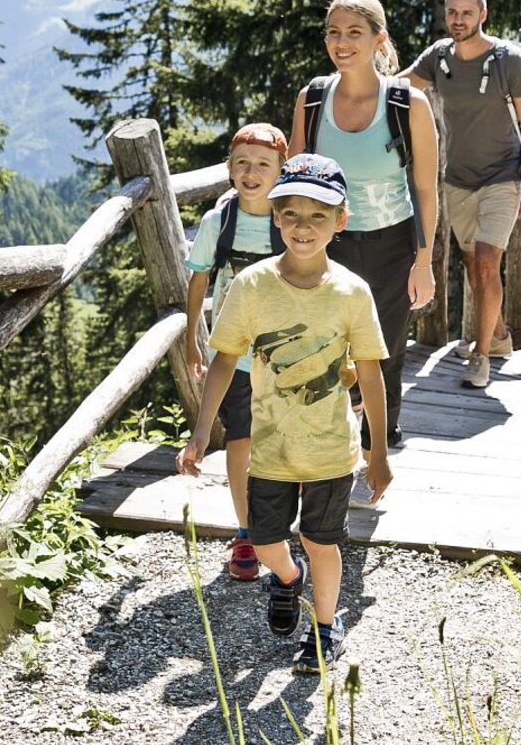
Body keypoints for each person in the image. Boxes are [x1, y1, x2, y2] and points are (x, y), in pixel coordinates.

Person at [177, 154, 392, 675]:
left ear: (341, 221)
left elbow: (370, 372)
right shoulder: (252, 286)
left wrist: (377, 452)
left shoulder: (351, 292)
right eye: (291, 214)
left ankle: (323, 629)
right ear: (275, 216)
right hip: (270, 447)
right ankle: (288, 579)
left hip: (329, 449)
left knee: (323, 541)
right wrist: (202, 431)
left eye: (318, 216)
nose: (303, 226)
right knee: (266, 541)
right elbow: (225, 358)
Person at [289, 0, 440, 454]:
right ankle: (326, 438)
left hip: (391, 244)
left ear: (379, 39)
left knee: (384, 347)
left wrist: (424, 261)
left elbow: (426, 189)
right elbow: (297, 180)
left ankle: (380, 440)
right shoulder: (312, 99)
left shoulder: (407, 104)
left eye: (354, 32)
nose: (342, 42)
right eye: (333, 32)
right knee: (323, 343)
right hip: (324, 245)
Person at [403, 0, 521, 389]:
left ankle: (480, 357)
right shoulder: (439, 57)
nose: (459, 20)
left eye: (467, 13)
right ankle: (499, 337)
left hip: (504, 176)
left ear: (483, 15)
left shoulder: (509, 61)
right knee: (473, 265)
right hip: (458, 180)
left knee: (486, 261)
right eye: (452, 13)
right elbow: (397, 87)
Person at [181, 123, 289, 582]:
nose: (251, 172)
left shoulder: (291, 219)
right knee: (241, 439)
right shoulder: (217, 222)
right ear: (229, 169)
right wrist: (192, 338)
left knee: (284, 439)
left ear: (282, 172)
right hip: (234, 353)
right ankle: (246, 531)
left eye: (263, 165)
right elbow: (199, 279)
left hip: (286, 352)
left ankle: (279, 529)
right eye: (242, 163)